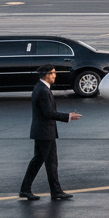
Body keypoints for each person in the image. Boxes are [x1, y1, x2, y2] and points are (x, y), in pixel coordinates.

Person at [19, 64, 81, 200]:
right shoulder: (43, 90)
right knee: (48, 162)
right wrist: (68, 116)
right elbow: (48, 113)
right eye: (52, 73)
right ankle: (51, 191)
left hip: (43, 132)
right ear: (46, 75)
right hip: (44, 133)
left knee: (42, 161)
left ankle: (29, 189)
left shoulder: (41, 87)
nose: (55, 75)